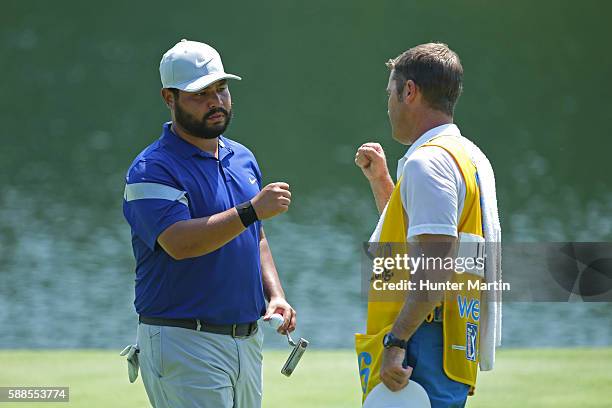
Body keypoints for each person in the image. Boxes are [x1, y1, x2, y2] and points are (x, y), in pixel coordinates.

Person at [122, 39, 296, 408]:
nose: (216, 101)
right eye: (200, 94)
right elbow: (179, 243)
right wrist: (251, 209)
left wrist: (275, 294)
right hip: (183, 340)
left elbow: (255, 235)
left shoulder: (242, 157)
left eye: (221, 89)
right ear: (169, 98)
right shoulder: (152, 169)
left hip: (246, 342)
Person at [354, 43, 501, 407]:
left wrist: (397, 341)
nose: (388, 104)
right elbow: (425, 236)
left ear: (409, 91)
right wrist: (382, 182)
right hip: (450, 336)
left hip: (422, 340)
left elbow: (437, 263)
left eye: (390, 92)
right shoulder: (469, 155)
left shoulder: (428, 162)